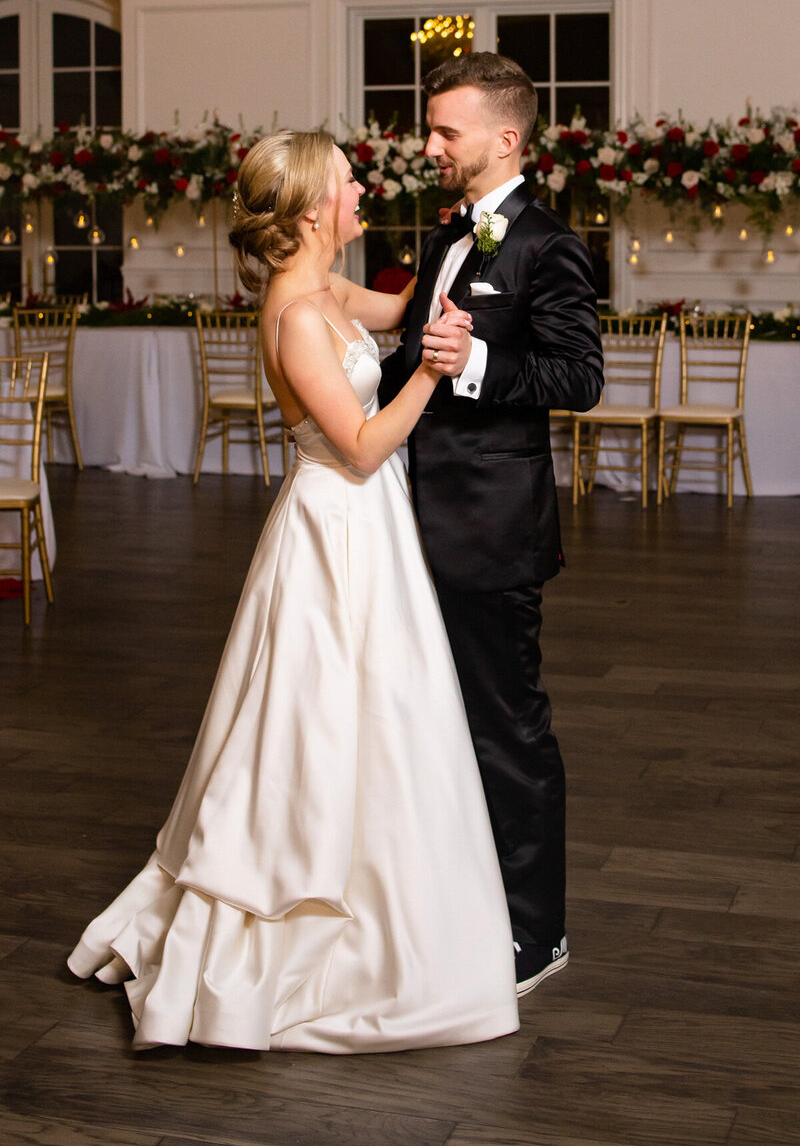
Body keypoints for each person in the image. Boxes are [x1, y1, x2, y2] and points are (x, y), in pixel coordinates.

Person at [67, 130, 520, 1053]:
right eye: (351, 186)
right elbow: (360, 445)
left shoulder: (328, 292)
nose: (362, 195)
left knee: (380, 707)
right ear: (315, 208)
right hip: (335, 521)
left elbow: (392, 315)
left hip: (367, 522)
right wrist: (435, 375)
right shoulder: (297, 314)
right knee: (316, 713)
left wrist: (463, 249)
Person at [380, 53, 604, 998]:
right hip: (406, 521)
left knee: (506, 730)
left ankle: (534, 932)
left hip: (491, 530)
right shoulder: (444, 239)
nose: (428, 146)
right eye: (430, 130)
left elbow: (577, 380)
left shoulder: (549, 246)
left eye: (445, 132)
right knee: (428, 723)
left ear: (504, 140)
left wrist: (476, 367)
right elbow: (407, 359)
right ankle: (449, 900)